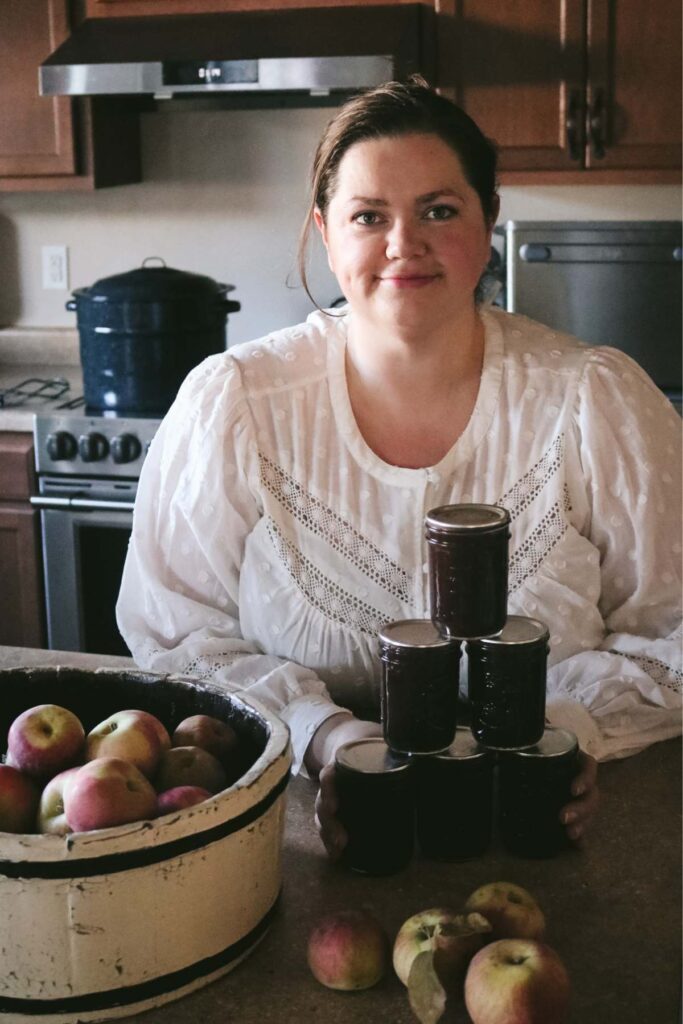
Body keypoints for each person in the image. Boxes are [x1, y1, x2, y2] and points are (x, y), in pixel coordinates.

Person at [116, 78, 681, 859]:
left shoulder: (592, 401)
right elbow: (179, 635)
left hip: (543, 829)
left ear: (487, 224)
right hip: (301, 842)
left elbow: (670, 628)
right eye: (368, 216)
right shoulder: (238, 403)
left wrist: (568, 729)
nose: (402, 244)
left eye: (439, 211)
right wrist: (325, 735)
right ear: (324, 231)